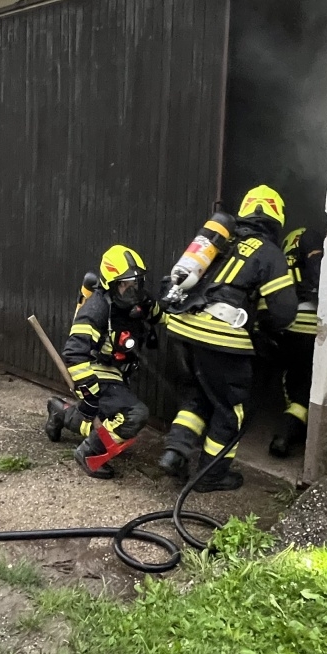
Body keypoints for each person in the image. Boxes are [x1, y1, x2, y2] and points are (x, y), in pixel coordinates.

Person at [159, 185, 297, 491]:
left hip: (181, 328)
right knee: (231, 409)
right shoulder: (270, 253)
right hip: (219, 338)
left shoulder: (221, 241)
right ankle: (211, 476)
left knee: (197, 397)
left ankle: (174, 453)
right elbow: (284, 312)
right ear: (277, 218)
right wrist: (262, 329)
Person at [43, 244, 161, 479]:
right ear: (111, 284)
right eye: (125, 284)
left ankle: (60, 413)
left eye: (136, 283)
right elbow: (74, 353)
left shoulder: (138, 300)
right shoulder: (96, 309)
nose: (132, 290)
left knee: (108, 420)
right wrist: (90, 394)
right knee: (135, 414)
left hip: (118, 371)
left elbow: (160, 315)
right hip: (95, 371)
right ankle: (89, 453)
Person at [269, 225, 323, 458]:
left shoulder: (285, 250)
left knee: (293, 379)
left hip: (290, 322)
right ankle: (288, 432)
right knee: (306, 383)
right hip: (313, 323)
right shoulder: (315, 243)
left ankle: (289, 429)